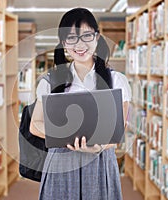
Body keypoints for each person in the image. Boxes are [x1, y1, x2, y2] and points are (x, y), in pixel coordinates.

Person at [29, 7, 132, 200]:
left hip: (100, 162)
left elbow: (120, 129)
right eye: (71, 38)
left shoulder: (116, 80)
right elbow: (35, 125)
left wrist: (97, 147)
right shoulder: (50, 81)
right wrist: (66, 137)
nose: (80, 44)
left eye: (86, 36)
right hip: (61, 162)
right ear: (63, 43)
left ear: (97, 37)